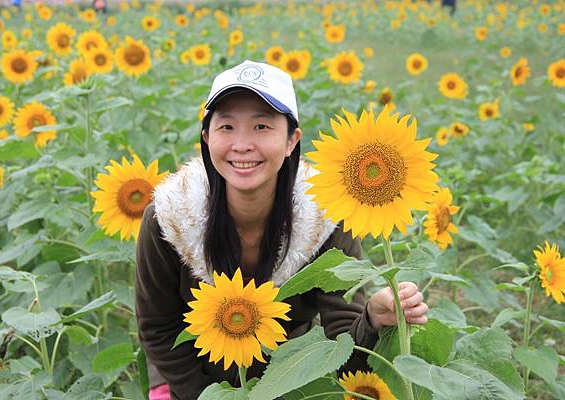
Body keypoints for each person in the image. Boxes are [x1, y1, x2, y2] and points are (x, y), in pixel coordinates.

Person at [135, 60, 429, 400]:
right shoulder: (168, 219)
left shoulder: (326, 218)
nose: (242, 144)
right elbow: (159, 330)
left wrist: (373, 319)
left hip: (291, 378)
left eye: (261, 127)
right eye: (226, 127)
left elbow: (341, 348)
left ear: (292, 140)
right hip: (192, 377)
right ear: (206, 138)